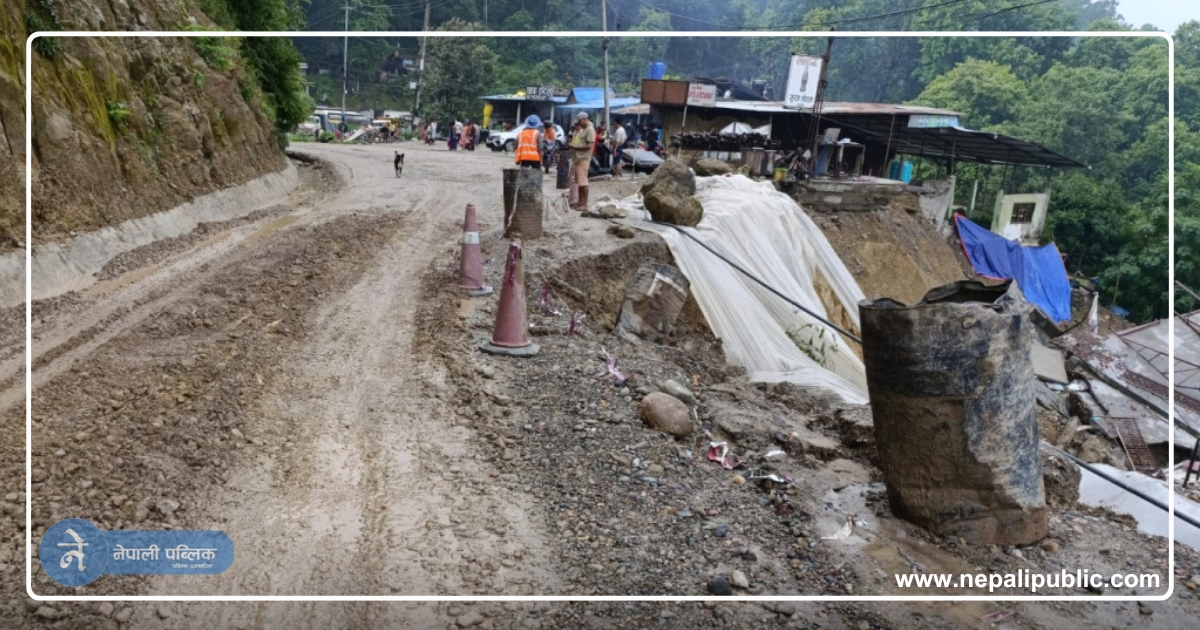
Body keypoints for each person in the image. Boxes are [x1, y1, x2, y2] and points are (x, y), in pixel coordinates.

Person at [568, 111, 596, 211]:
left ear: (585, 119)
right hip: (578, 159)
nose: (579, 124)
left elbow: (589, 146)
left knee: (584, 183)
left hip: (583, 159)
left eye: (580, 121)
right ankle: (580, 202)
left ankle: (585, 204)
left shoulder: (590, 130)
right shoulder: (583, 130)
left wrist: (574, 146)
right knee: (579, 183)